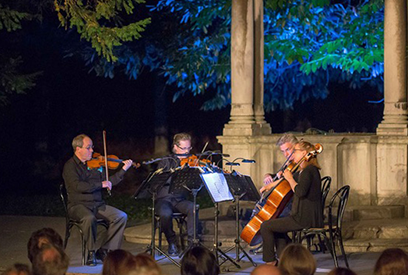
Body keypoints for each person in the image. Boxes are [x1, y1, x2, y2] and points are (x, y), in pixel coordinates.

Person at [62, 134, 133, 266]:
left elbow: (110, 182)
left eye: (92, 147)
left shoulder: (96, 164)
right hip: (78, 206)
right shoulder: (70, 166)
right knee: (89, 218)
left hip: (97, 205)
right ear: (78, 149)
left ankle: (105, 251)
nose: (92, 151)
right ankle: (91, 252)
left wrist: (123, 169)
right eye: (88, 148)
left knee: (121, 216)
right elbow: (78, 186)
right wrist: (100, 184)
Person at [260, 141, 323, 265]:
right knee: (276, 227)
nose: (293, 155)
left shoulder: (308, 170)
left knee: (265, 226)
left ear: (304, 153)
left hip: (305, 218)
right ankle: (285, 259)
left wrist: (289, 178)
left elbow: (299, 192)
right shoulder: (307, 170)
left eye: (296, 151)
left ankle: (270, 261)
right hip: (305, 215)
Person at [250, 133, 299, 254]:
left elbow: (291, 182)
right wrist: (269, 176)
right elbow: (280, 176)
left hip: (294, 205)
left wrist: (271, 185)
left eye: (288, 150)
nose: (286, 155)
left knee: (270, 221)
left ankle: (269, 244)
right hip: (285, 203)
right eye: (283, 151)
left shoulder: (300, 165)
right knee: (269, 217)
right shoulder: (290, 165)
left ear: (296, 146)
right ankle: (283, 251)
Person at [153, 133, 196, 255]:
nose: (187, 151)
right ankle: (172, 241)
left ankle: (191, 244)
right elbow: (158, 182)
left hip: (180, 200)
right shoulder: (166, 161)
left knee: (193, 208)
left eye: (189, 148)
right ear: (175, 147)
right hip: (164, 199)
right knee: (165, 214)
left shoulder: (190, 162)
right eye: (184, 148)